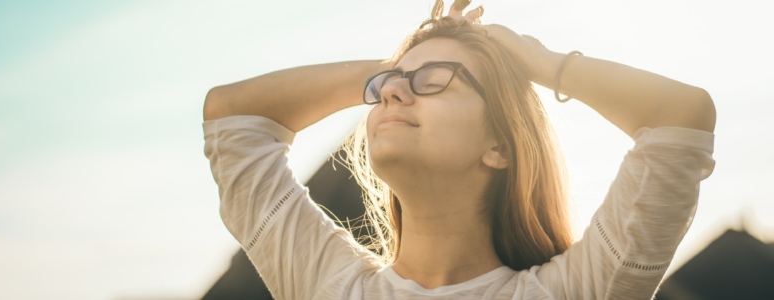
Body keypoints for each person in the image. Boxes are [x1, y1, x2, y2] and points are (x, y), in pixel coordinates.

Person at [202, 0, 716, 298]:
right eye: (386, 86)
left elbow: (680, 119)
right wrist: (397, 65)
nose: (393, 92)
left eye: (435, 81)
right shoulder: (331, 285)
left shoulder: (572, 291)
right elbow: (232, 116)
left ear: (500, 145)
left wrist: (537, 62)